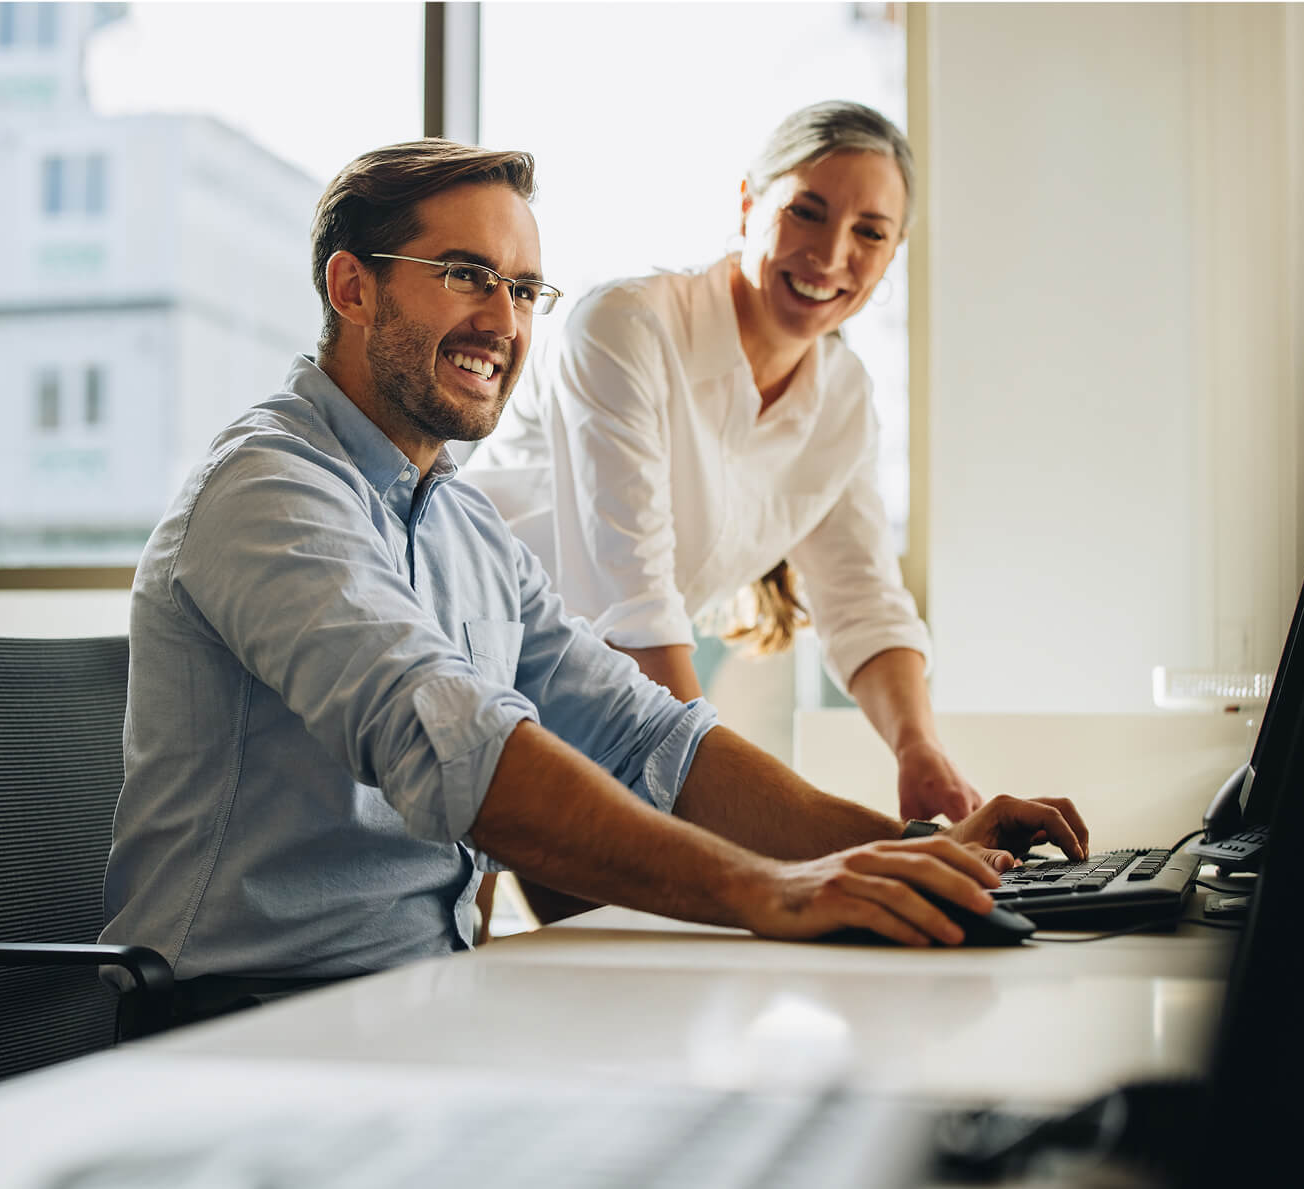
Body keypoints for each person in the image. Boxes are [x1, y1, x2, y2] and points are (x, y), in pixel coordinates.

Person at [100, 139, 1088, 1022]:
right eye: (466, 275)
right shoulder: (271, 491)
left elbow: (650, 732)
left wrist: (916, 848)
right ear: (352, 288)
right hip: (247, 1026)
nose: (504, 321)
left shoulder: (466, 527)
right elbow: (458, 747)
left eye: (525, 289)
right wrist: (768, 887)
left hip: (420, 1002)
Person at [466, 101, 975, 828]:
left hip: (591, 705)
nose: (831, 254)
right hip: (469, 671)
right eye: (806, 212)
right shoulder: (626, 327)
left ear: (894, 252)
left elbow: (863, 600)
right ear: (747, 203)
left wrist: (919, 751)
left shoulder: (844, 398)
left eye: (870, 232)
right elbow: (633, 611)